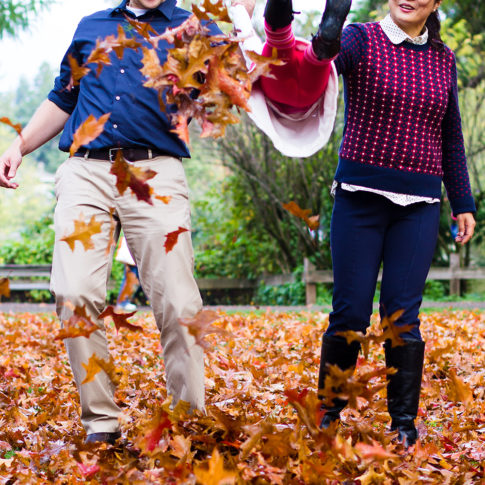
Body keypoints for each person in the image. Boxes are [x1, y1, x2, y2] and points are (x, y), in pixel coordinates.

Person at [230, 0, 476, 447]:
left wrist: (463, 200)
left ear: (436, 3)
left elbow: (450, 131)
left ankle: (403, 424)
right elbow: (312, 72)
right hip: (359, 201)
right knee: (350, 312)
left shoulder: (444, 58)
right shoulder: (361, 39)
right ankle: (329, 410)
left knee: (403, 317)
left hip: (419, 204)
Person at [0, 0, 221, 445]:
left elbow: (221, 96)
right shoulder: (91, 26)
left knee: (179, 304)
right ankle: (101, 422)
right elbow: (63, 98)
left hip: (154, 172)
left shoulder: (195, 28)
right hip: (86, 171)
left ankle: (188, 421)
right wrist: (18, 147)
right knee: (74, 290)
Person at [115, 236, 141, 312]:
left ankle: (123, 303)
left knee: (132, 279)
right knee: (131, 279)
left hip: (132, 253)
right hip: (131, 254)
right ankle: (122, 303)